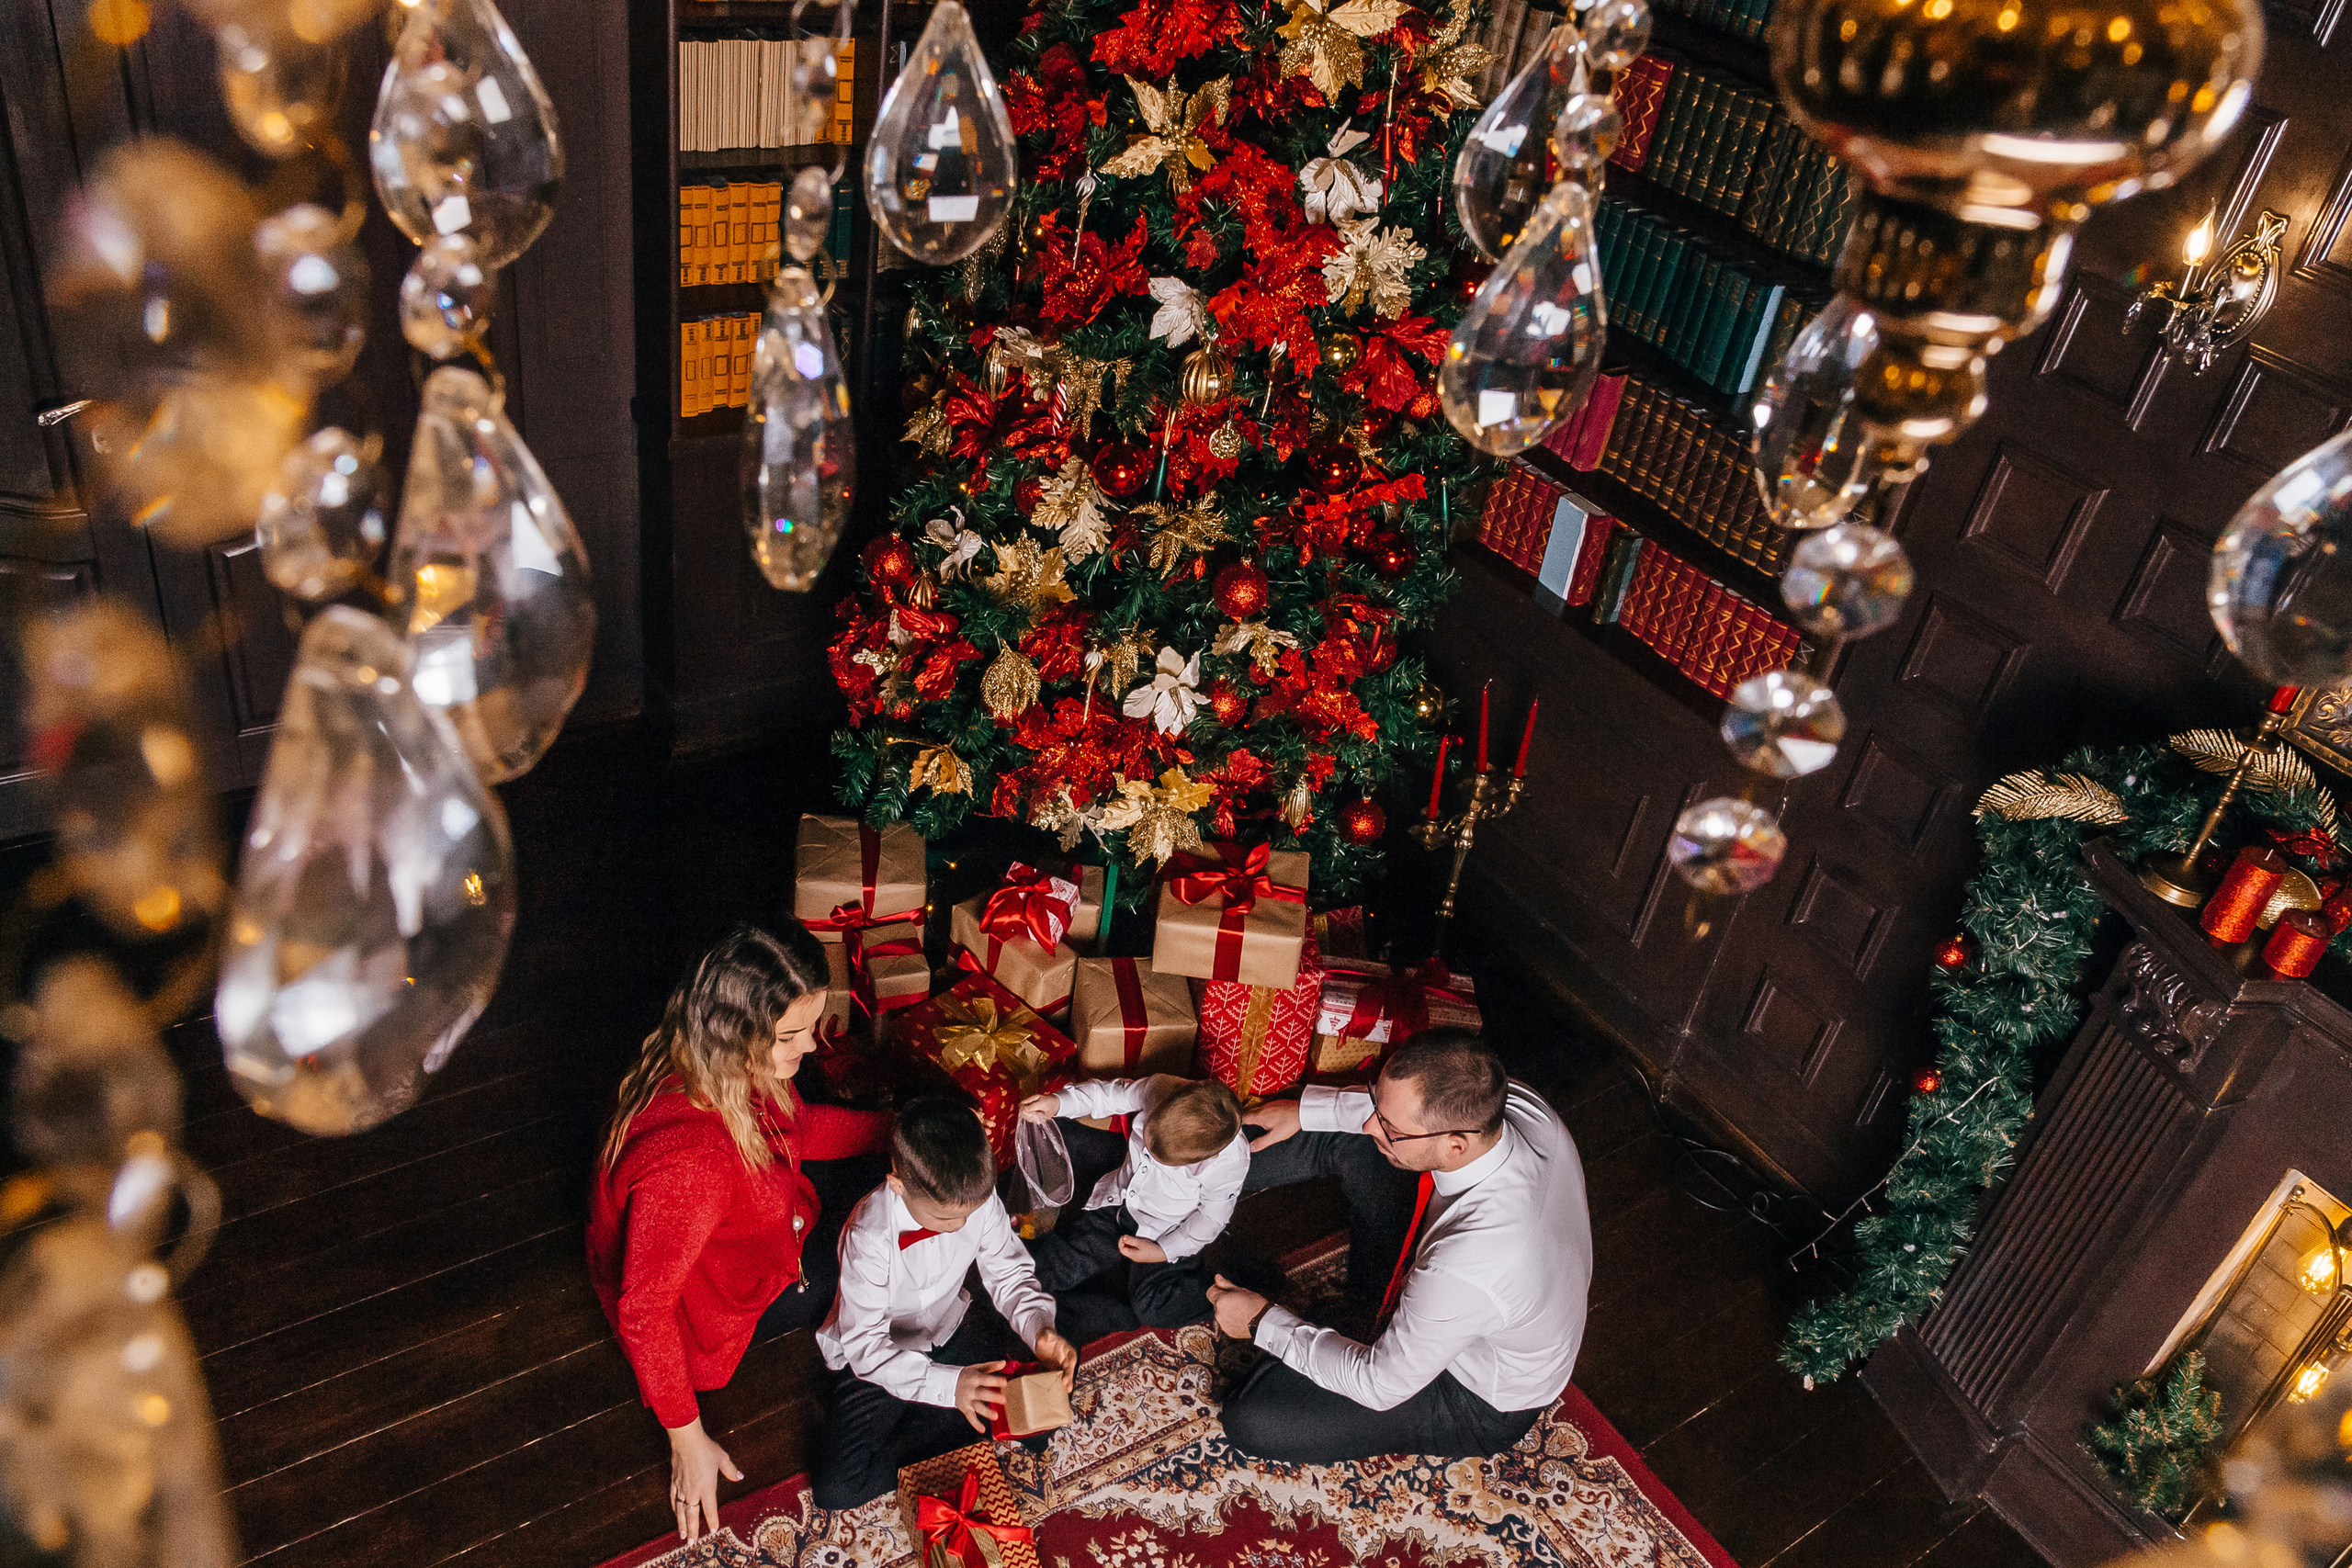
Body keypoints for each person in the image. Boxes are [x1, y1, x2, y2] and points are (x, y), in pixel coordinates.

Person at [586, 920, 892, 1545]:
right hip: (707, 1305)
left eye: (811, 1026)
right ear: (738, 1032)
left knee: (879, 1172)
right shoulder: (695, 1164)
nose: (810, 1048)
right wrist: (687, 1437)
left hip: (749, 1223)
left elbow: (801, 1129)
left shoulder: (718, 1061)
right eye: (790, 1036)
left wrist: (892, 1129)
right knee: (878, 1238)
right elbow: (645, 1310)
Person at [1204, 1028, 1592, 1464]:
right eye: (1378, 1105)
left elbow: (1380, 1385)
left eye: (1392, 1128)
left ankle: (1353, 1319)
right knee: (1341, 1128)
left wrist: (1260, 1321)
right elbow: (1390, 1115)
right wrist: (1306, 1110)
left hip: (1471, 1395)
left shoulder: (1470, 1263)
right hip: (1457, 1286)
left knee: (1252, 1419)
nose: (1373, 1124)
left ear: (1456, 1145)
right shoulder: (1515, 1104)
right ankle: (1194, 1178)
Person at [811, 1097, 1080, 1509]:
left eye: (968, 1216)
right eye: (944, 1219)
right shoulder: (868, 1236)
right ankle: (943, 1413)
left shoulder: (977, 1197)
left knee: (1043, 1419)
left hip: (949, 1326)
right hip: (882, 1355)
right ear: (898, 1185)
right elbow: (865, 1346)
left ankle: (937, 1410)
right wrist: (949, 1387)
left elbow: (1009, 1273)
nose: (959, 1227)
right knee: (838, 1490)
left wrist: (1039, 1328)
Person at [1016, 1074, 1250, 1339]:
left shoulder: (1229, 1163)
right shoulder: (1161, 1087)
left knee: (1152, 1307)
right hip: (1119, 1202)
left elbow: (1210, 1220)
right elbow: (1108, 1095)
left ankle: (1226, 1290)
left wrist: (1162, 1251)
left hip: (1165, 1231)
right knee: (1051, 1267)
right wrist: (1059, 1102)